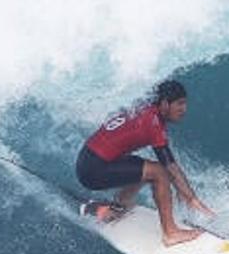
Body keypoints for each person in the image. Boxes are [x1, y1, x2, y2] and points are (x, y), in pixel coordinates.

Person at [75, 79, 215, 244]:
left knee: (145, 169)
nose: (184, 109)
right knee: (158, 173)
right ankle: (171, 233)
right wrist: (191, 198)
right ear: (164, 104)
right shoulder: (152, 122)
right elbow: (169, 167)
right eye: (179, 104)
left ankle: (118, 207)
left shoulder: (145, 107)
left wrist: (185, 193)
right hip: (94, 169)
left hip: (88, 159)